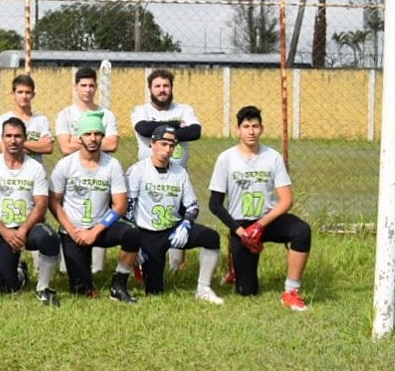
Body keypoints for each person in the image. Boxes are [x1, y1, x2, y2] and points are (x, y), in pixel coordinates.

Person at [208, 105, 311, 311]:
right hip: (241, 225)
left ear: (262, 129)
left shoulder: (272, 157)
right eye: (246, 126)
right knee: (247, 291)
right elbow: (215, 204)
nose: (251, 131)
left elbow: (286, 200)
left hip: (267, 220)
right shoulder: (226, 158)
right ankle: (235, 267)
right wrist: (241, 232)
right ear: (238, 130)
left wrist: (260, 225)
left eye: (255, 126)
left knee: (302, 231)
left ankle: (291, 292)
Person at [48, 111, 140, 303]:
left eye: (97, 134)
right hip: (74, 230)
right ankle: (85, 281)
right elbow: (53, 202)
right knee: (81, 292)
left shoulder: (112, 165)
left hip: (101, 227)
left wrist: (96, 231)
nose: (93, 138)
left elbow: (120, 206)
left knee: (132, 233)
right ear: (79, 137)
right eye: (88, 134)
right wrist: (72, 231)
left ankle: (119, 284)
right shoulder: (65, 165)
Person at [125, 125, 223, 304]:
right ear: (152, 144)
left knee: (211, 237)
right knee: (154, 292)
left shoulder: (179, 172)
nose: (167, 149)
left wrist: (186, 224)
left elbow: (192, 205)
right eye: (163, 144)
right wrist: (134, 241)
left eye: (172, 145)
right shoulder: (137, 170)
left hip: (174, 229)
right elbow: (128, 208)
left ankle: (203, 288)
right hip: (148, 233)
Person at [0, 117, 62, 306]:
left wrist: (22, 230)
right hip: (1, 229)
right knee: (8, 290)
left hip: (29, 227)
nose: (13, 141)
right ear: (2, 138)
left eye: (17, 136)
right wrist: (6, 232)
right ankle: (20, 272)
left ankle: (43, 287)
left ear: (25, 138)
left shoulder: (35, 167)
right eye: (8, 136)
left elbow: (41, 203)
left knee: (50, 238)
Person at [130, 68, 201, 169]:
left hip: (177, 174)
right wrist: (176, 125)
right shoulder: (140, 110)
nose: (162, 90)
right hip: (148, 173)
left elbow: (195, 132)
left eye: (166, 86)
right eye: (157, 86)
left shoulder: (184, 109)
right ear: (150, 88)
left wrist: (156, 132)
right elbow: (144, 129)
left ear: (172, 87)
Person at [55, 66, 119, 155]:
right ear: (76, 86)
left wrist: (75, 139)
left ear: (96, 87)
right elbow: (66, 148)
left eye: (91, 86)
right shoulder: (65, 115)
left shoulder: (107, 115)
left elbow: (112, 145)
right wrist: (100, 141)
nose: (88, 90)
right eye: (83, 85)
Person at [0, 74, 53, 163]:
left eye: (28, 92)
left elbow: (48, 147)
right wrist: (37, 145)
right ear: (13, 94)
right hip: (12, 171)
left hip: (36, 172)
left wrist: (16, 144)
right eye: (20, 92)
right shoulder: (2, 120)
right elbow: (6, 150)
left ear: (33, 95)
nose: (24, 96)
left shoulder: (42, 120)